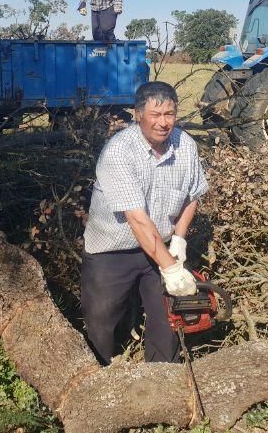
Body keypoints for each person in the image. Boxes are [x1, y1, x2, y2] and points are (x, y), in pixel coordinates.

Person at [80, 81, 208, 364]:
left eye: (170, 114)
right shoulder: (119, 151)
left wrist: (179, 239)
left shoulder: (184, 145)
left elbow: (193, 194)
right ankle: (98, 379)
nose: (163, 123)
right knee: (102, 322)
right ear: (138, 114)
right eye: (155, 115)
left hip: (159, 248)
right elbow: (137, 221)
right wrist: (172, 269)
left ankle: (163, 380)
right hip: (111, 251)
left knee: (168, 319)